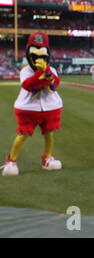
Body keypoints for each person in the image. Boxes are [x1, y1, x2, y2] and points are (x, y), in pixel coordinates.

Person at [1, 31, 63, 176]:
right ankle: (11, 161)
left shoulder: (52, 69)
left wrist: (46, 70)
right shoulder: (25, 71)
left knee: (49, 134)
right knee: (22, 134)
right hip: (28, 108)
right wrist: (39, 73)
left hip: (49, 107)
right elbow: (28, 86)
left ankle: (47, 158)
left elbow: (54, 85)